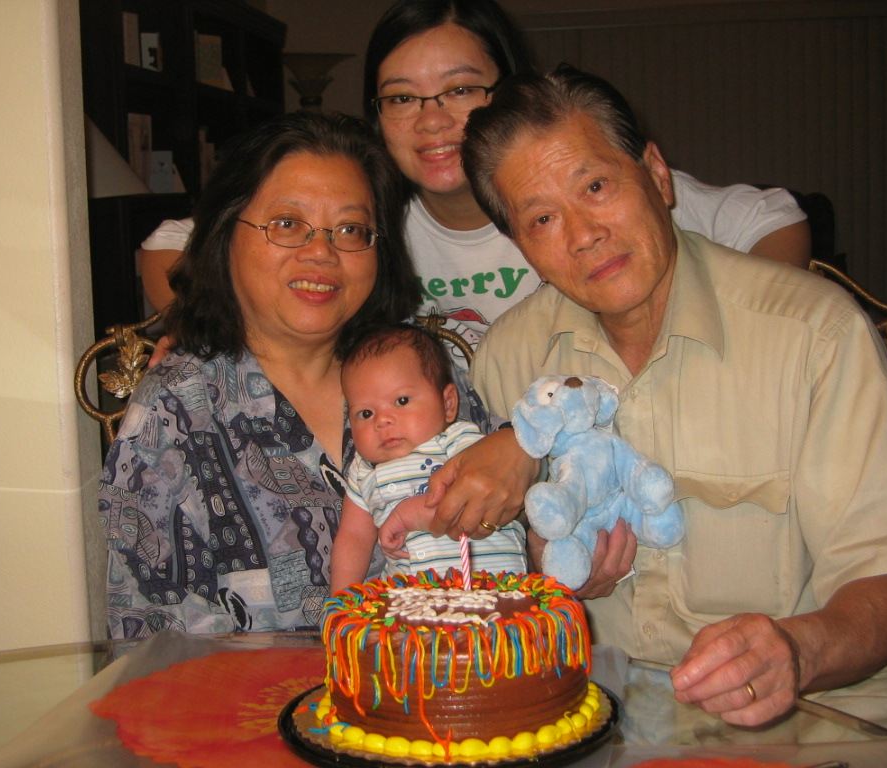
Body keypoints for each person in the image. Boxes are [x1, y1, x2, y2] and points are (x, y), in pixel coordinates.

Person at [461, 65, 887, 736]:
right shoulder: (509, 358)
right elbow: (482, 586)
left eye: (596, 187)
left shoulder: (814, 334)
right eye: (542, 218)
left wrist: (795, 651)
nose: (583, 234)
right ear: (522, 246)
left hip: (831, 713)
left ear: (657, 175)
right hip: (599, 720)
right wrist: (542, 573)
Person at [137, 0, 811, 349]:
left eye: (461, 90)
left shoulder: (588, 196)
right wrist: (221, 340)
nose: (432, 120)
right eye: (401, 98)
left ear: (509, 89)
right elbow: (169, 245)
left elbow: (773, 220)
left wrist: (743, 336)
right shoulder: (362, 220)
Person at [97, 112, 522, 639]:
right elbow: (147, 634)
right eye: (286, 224)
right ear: (226, 232)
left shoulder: (417, 365)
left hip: (459, 677)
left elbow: (513, 498)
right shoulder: (176, 408)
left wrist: (522, 451)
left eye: (350, 229)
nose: (321, 252)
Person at [330, 324, 527, 593]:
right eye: (365, 413)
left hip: (494, 589)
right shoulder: (362, 471)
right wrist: (341, 601)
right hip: (409, 601)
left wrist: (410, 515)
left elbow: (477, 501)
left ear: (448, 404)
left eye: (401, 401)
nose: (382, 420)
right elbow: (353, 539)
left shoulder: (460, 442)